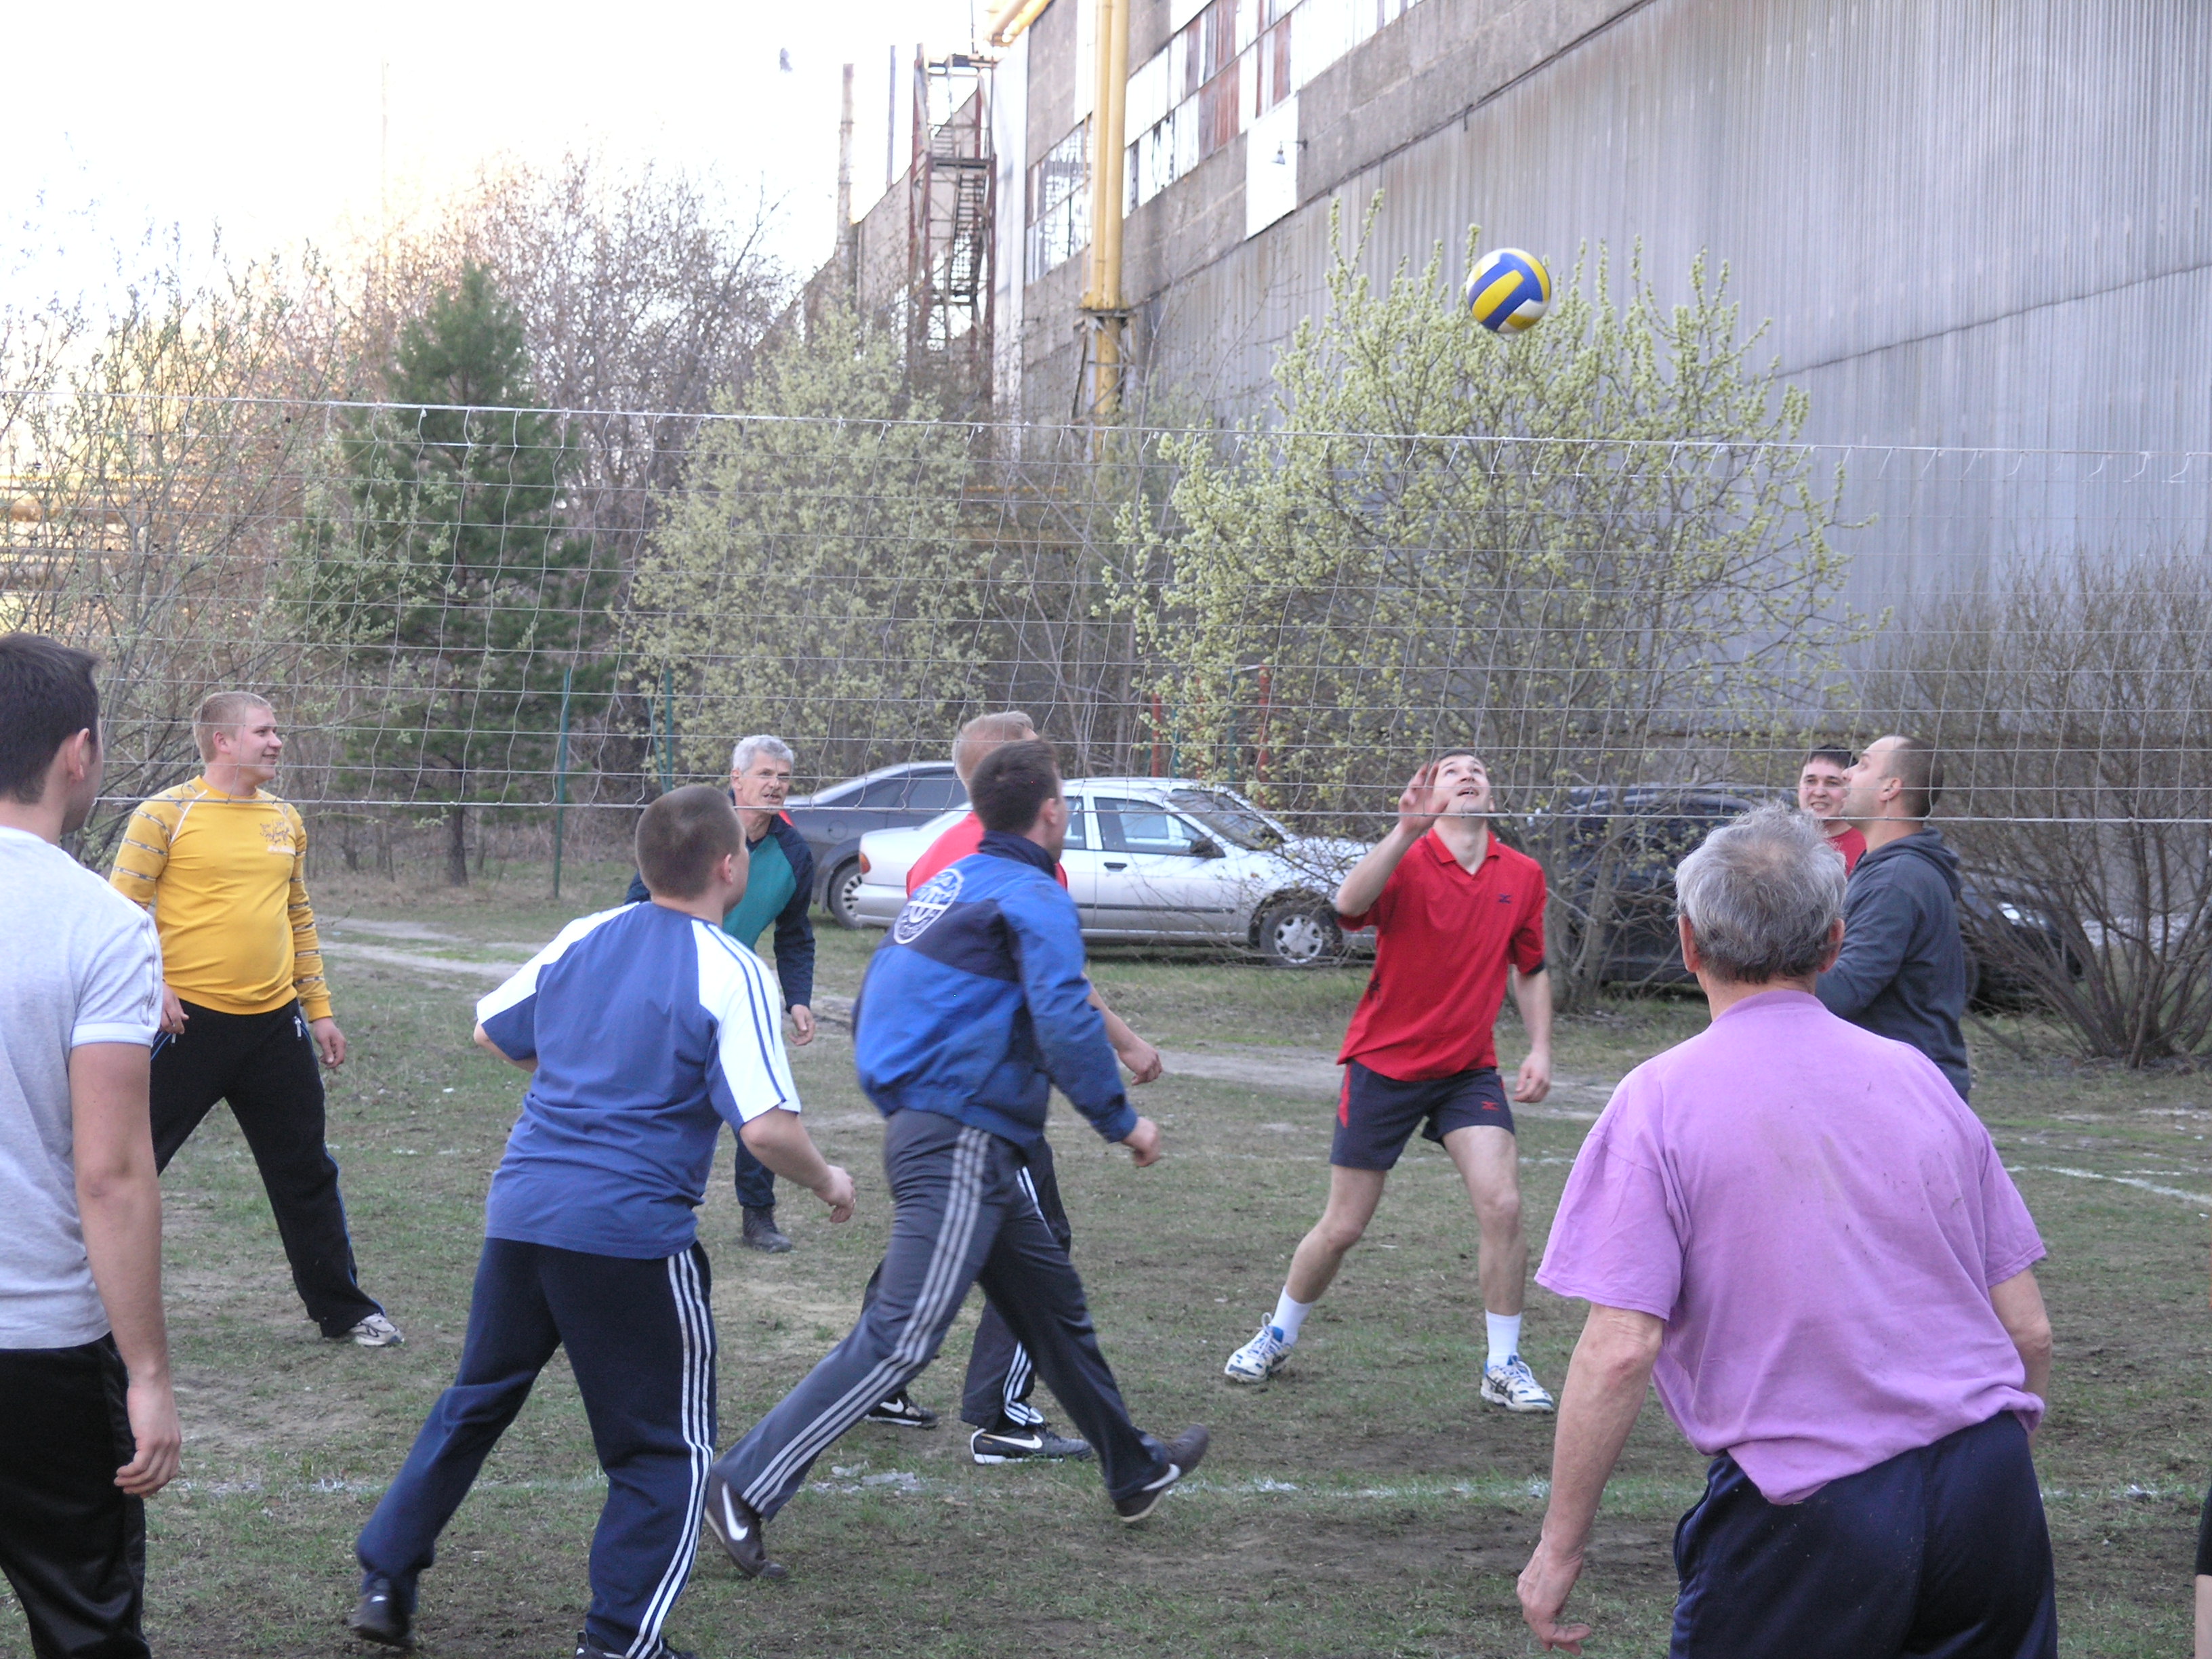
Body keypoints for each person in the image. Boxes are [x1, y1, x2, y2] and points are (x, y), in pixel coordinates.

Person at [1518, 802, 2055, 1656]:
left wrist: (1559, 1548)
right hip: (1988, 1488)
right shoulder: (1920, 1079)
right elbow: (2028, 1327)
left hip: (1813, 1512)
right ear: (1836, 943)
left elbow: (1620, 1347)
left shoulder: (1658, 1099)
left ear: (1689, 942)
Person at [349, 785, 855, 1658]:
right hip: (627, 1236)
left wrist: (591, 1065)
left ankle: (386, 1578)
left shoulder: (585, 933)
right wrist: (829, 1179)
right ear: (731, 867)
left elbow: (493, 1031)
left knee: (476, 1401)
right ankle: (621, 1641)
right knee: (665, 1450)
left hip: (523, 1213)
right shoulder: (731, 967)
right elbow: (768, 1128)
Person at [701, 740, 1206, 1582]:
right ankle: (741, 1483)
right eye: (1068, 803)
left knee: (1053, 1308)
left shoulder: (952, 885)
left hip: (954, 1128)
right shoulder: (1029, 891)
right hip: (960, 1135)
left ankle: (1131, 1468)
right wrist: (1121, 1122)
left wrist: (908, 1097)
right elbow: (1064, 1011)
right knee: (903, 1338)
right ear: (1052, 815)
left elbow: (876, 1000)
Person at [1224, 752, 1557, 1413]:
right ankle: (1278, 1333)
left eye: (1479, 770)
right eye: (1451, 770)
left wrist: (1542, 1048)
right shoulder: (1405, 857)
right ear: (1429, 791)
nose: (1468, 775)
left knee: (1505, 1205)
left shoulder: (1521, 874)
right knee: (1343, 1225)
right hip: (1384, 1064)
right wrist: (1406, 829)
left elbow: (1532, 967)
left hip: (1467, 1071)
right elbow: (1347, 904)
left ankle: (1503, 1364)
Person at [871, 710, 1164, 1460]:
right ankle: (994, 1414)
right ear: (1012, 783)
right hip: (975, 1100)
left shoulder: (959, 855)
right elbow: (1052, 991)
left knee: (967, 1245)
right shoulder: (999, 863)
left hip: (948, 1094)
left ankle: (1125, 1464)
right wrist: (1120, 1104)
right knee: (1006, 1258)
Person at [108, 693, 398, 1346]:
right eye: (263, 731)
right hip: (184, 1026)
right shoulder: (165, 814)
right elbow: (119, 914)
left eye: (277, 730)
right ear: (222, 742)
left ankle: (346, 1312)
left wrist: (318, 1010)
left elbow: (298, 916)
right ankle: (76, 1307)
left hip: (275, 1025)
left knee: (306, 1170)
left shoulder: (285, 820)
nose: (276, 742)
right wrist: (153, 987)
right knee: (124, 1167)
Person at [0, 634, 182, 1658]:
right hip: (44, 1358)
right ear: (80, 753)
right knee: (85, 1626)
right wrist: (147, 1370)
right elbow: (112, 1175)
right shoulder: (102, 927)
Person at [623, 735, 817, 1254]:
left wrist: (798, 997)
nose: (776, 785)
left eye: (783, 777)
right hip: (673, 981)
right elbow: (641, 902)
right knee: (660, 1096)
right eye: (765, 775)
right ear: (736, 779)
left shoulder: (794, 852)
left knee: (762, 1101)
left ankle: (759, 1217)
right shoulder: (695, 827)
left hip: (739, 988)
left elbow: (795, 934)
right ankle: (647, 1198)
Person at [1815, 733, 1972, 1099]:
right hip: (1897, 1084)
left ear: (1891, 788)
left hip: (1910, 1094)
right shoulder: (1888, 868)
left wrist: (1767, 976)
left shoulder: (1896, 881)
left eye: (1863, 764)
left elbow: (1845, 991)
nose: (1848, 774)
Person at [1796, 742, 1866, 873]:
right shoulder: (1781, 843)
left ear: (1852, 789)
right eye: (1810, 781)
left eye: (1832, 783)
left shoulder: (1869, 847)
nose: (1819, 792)